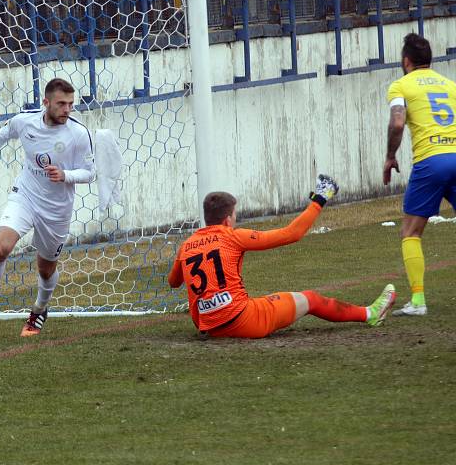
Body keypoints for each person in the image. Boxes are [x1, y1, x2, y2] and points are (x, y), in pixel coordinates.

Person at [0, 78, 95, 337]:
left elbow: (90, 173)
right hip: (25, 196)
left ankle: (40, 309)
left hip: (56, 209)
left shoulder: (78, 133)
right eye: (61, 104)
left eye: (71, 104)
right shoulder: (25, 121)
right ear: (46, 102)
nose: (67, 109)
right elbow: (0, 136)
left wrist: (66, 175)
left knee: (45, 268)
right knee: (0, 249)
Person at [167, 176, 397, 339]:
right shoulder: (233, 236)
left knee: (253, 301)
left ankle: (369, 313)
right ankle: (370, 314)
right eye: (235, 215)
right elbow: (292, 234)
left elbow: (173, 282)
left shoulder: (186, 246)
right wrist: (320, 199)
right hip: (241, 320)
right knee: (310, 300)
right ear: (228, 219)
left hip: (207, 325)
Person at [383, 33, 456, 317]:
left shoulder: (401, 85)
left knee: (411, 232)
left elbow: (398, 123)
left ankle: (418, 301)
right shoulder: (449, 85)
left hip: (431, 160)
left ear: (406, 61)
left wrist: (390, 156)